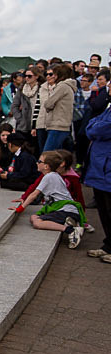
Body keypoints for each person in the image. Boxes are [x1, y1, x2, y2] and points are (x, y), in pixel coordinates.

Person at [12, 151, 84, 248]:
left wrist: (20, 208)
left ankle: (70, 230)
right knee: (33, 217)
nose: (37, 163)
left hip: (66, 210)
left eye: (39, 161)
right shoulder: (53, 175)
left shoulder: (49, 176)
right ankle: (68, 222)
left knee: (37, 223)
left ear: (46, 166)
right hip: (64, 210)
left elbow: (34, 194)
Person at [83, 99, 111, 263]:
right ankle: (108, 245)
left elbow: (99, 128)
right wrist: (94, 125)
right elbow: (92, 124)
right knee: (103, 209)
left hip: (107, 167)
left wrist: (94, 125)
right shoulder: (108, 107)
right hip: (100, 167)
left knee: (109, 208)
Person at [39, 64, 76, 152]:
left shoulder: (62, 86)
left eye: (54, 74)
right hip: (63, 124)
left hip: (57, 125)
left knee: (47, 155)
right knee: (58, 155)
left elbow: (48, 104)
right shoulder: (69, 86)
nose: (52, 76)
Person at [12, 66, 42, 141]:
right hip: (23, 124)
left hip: (37, 123)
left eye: (29, 76)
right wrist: (20, 118)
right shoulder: (21, 89)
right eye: (25, 76)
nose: (27, 78)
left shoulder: (42, 89)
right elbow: (14, 105)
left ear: (37, 76)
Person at [73, 73, 93, 168]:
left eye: (85, 81)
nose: (82, 82)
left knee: (85, 141)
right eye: (82, 80)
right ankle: (79, 162)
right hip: (78, 119)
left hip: (88, 120)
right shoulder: (77, 92)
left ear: (90, 82)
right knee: (78, 140)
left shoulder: (94, 93)